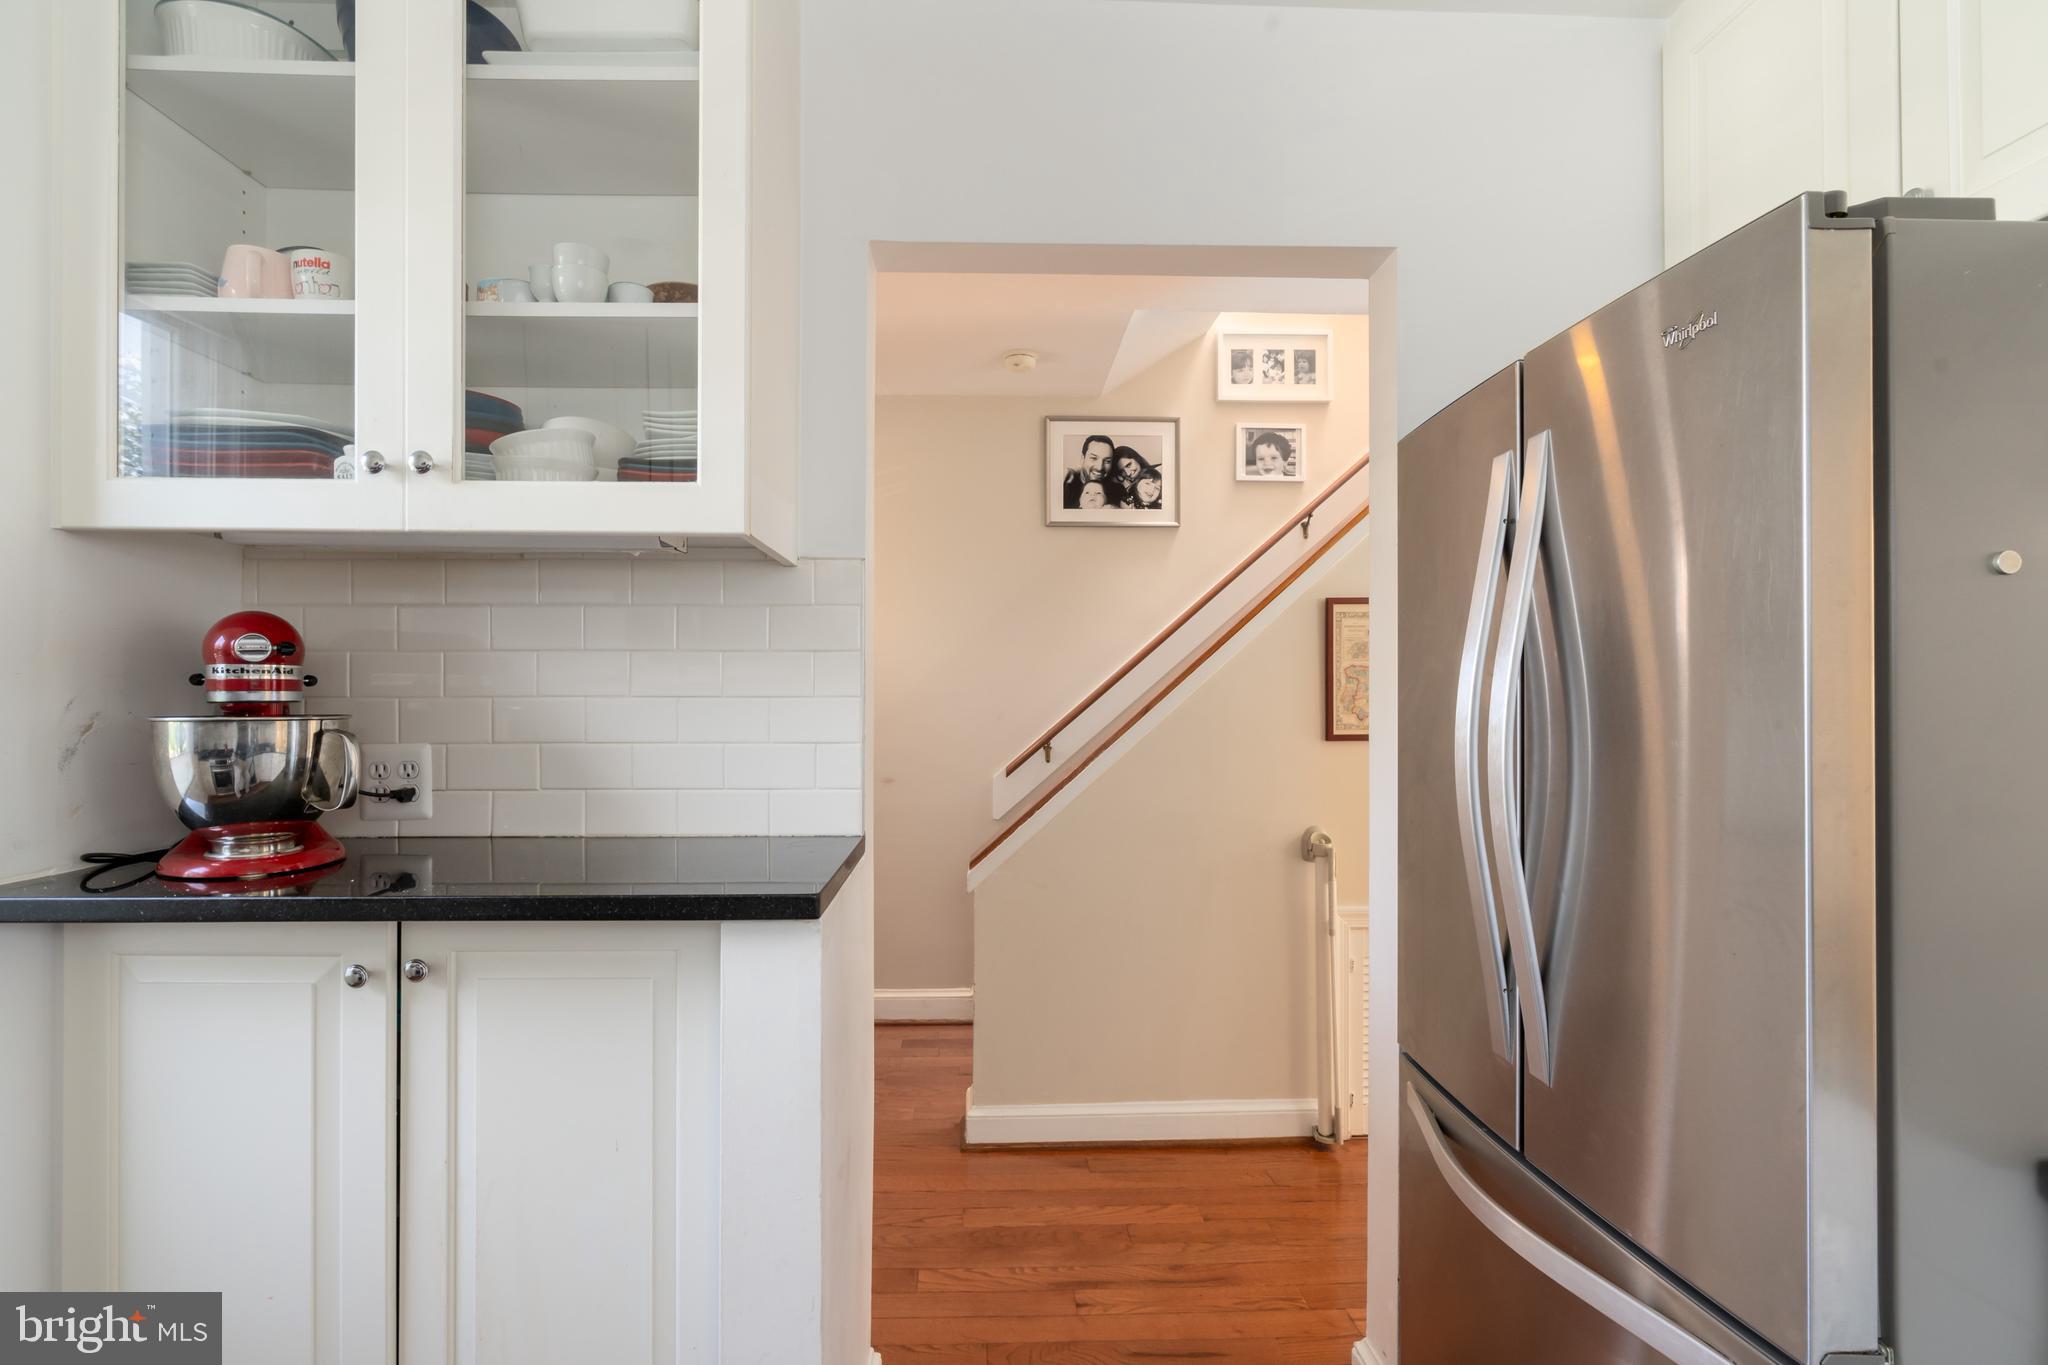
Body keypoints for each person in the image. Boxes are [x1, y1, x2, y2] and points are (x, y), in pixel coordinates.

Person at [1061, 434, 1115, 509]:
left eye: (1107, 461)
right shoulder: (1065, 484)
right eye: (1093, 458)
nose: (1099, 467)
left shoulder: (1116, 489)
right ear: (1082, 459)